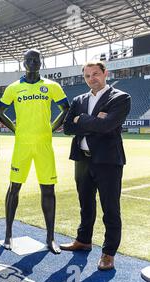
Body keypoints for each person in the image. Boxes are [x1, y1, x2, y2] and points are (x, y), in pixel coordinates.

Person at [0, 49, 70, 254]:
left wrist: (52, 127)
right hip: (22, 145)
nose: (32, 62)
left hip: (44, 146)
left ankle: (51, 237)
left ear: (41, 62)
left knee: (48, 189)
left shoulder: (51, 86)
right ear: (23, 63)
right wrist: (15, 128)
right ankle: (8, 235)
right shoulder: (13, 88)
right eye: (28, 59)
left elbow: (66, 108)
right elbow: (0, 112)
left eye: (35, 59)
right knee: (14, 188)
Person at [62, 60, 131, 270]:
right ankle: (83, 240)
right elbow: (66, 128)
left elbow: (108, 125)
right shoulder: (79, 99)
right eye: (87, 76)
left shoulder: (120, 98)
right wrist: (94, 122)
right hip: (83, 159)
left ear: (105, 73)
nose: (92, 78)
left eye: (95, 74)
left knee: (110, 208)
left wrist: (81, 120)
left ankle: (108, 253)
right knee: (86, 204)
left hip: (108, 162)